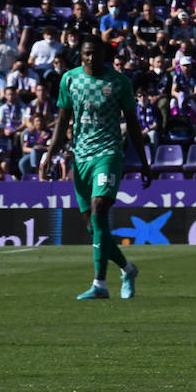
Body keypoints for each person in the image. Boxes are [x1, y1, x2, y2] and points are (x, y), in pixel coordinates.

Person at [43, 37, 151, 300]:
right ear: (80, 55)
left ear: (104, 54)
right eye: (87, 54)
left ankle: (99, 284)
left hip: (109, 152)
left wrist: (144, 162)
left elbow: (134, 124)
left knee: (99, 208)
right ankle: (127, 269)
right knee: (94, 227)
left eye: (96, 54)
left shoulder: (118, 82)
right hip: (80, 156)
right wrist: (49, 154)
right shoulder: (70, 80)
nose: (91, 58)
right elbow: (62, 122)